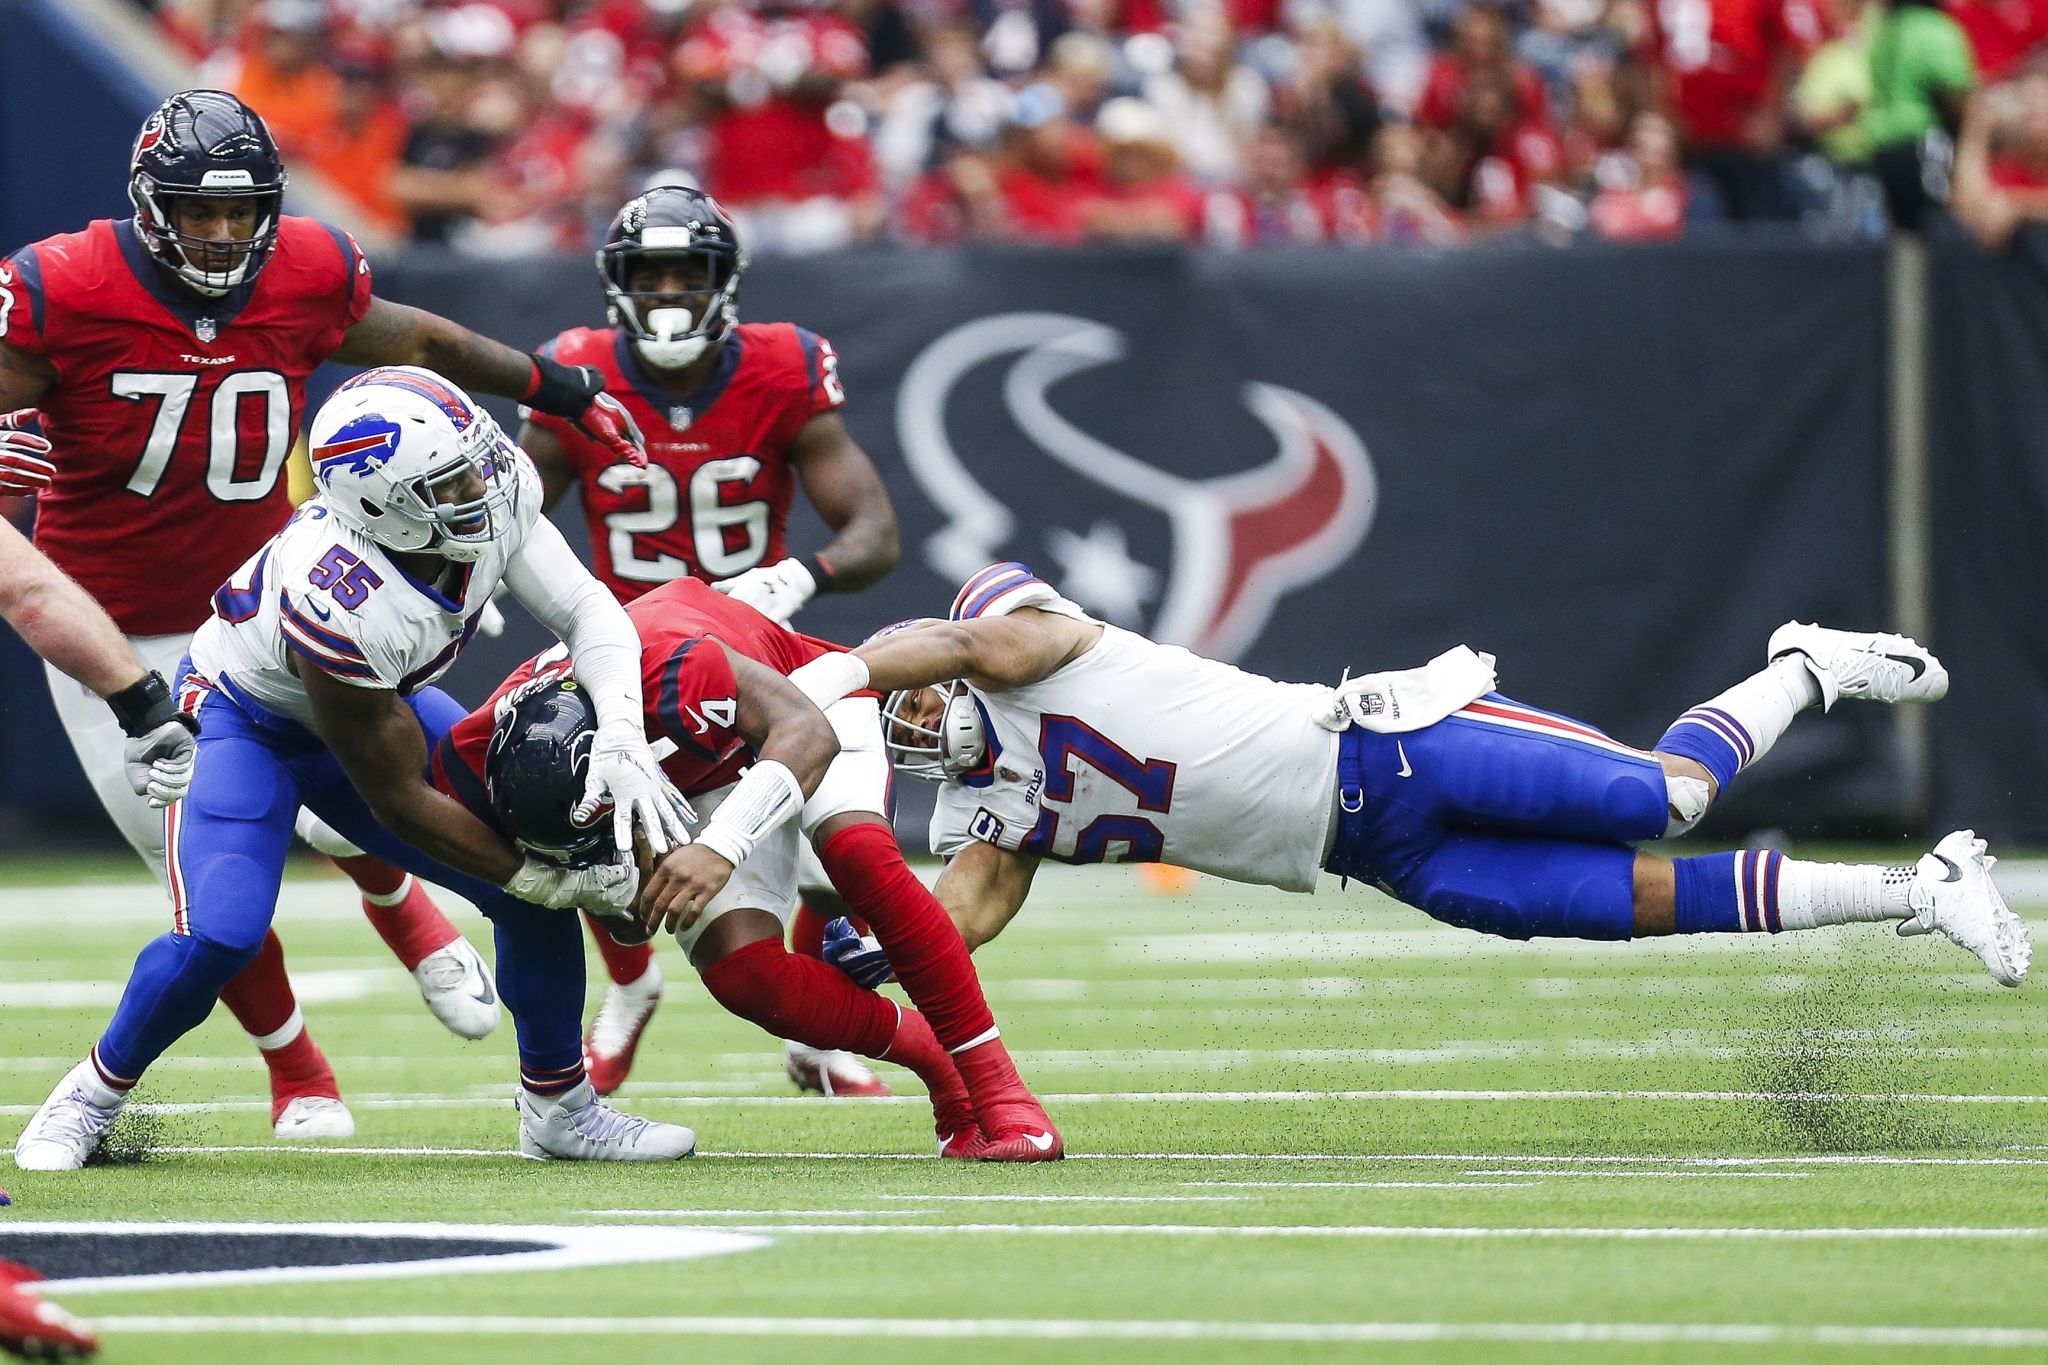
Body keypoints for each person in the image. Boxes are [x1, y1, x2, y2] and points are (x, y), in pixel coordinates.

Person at [0, 89, 645, 1140]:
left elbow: (423, 340)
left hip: (258, 594)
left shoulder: (306, 269)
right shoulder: (64, 283)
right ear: (146, 204)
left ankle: (447, 958)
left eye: (240, 211)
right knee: (213, 892)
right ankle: (299, 1067)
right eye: (195, 212)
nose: (220, 234)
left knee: (347, 783)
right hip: (106, 628)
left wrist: (557, 387)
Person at [12, 367, 695, 1172]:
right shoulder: (341, 592)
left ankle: (560, 1109)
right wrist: (532, 878)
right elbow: (394, 796)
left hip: (378, 704)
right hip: (249, 723)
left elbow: (586, 609)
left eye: (475, 462)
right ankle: (90, 1095)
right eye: (449, 482)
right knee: (222, 932)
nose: (483, 484)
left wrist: (618, 727)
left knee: (532, 888)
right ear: (380, 503)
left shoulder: (493, 487)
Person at [796, 563, 2029, 991]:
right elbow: (957, 921)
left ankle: (1802, 667)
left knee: (1668, 799)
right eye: (891, 709)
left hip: (1390, 742)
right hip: (1381, 858)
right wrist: (862, 949)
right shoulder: (985, 813)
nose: (908, 716)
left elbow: (962, 638)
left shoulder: (1022, 645)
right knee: (1633, 904)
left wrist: (841, 672)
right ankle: (1921, 889)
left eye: (908, 691)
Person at [431, 577, 1064, 1160]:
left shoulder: (669, 672)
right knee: (744, 976)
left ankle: (1001, 1092)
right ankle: (934, 1058)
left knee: (856, 856)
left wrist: (722, 844)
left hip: (798, 699)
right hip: (688, 764)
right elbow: (622, 921)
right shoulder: (474, 753)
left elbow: (805, 731)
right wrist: (574, 880)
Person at [517, 185, 902, 1098]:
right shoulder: (578, 371)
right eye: (650, 276)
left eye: (690, 274)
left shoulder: (784, 365)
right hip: (624, 655)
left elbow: (874, 531)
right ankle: (630, 982)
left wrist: (801, 575)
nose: (671, 294)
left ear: (726, 283)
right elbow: (514, 511)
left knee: (833, 852)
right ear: (619, 285)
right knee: (571, 826)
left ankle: (818, 1035)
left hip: (748, 642)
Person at [0, 515, 196, 813]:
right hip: (245, 609)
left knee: (186, 839)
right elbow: (26, 588)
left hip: (223, 604)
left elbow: (28, 590)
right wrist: (148, 711)